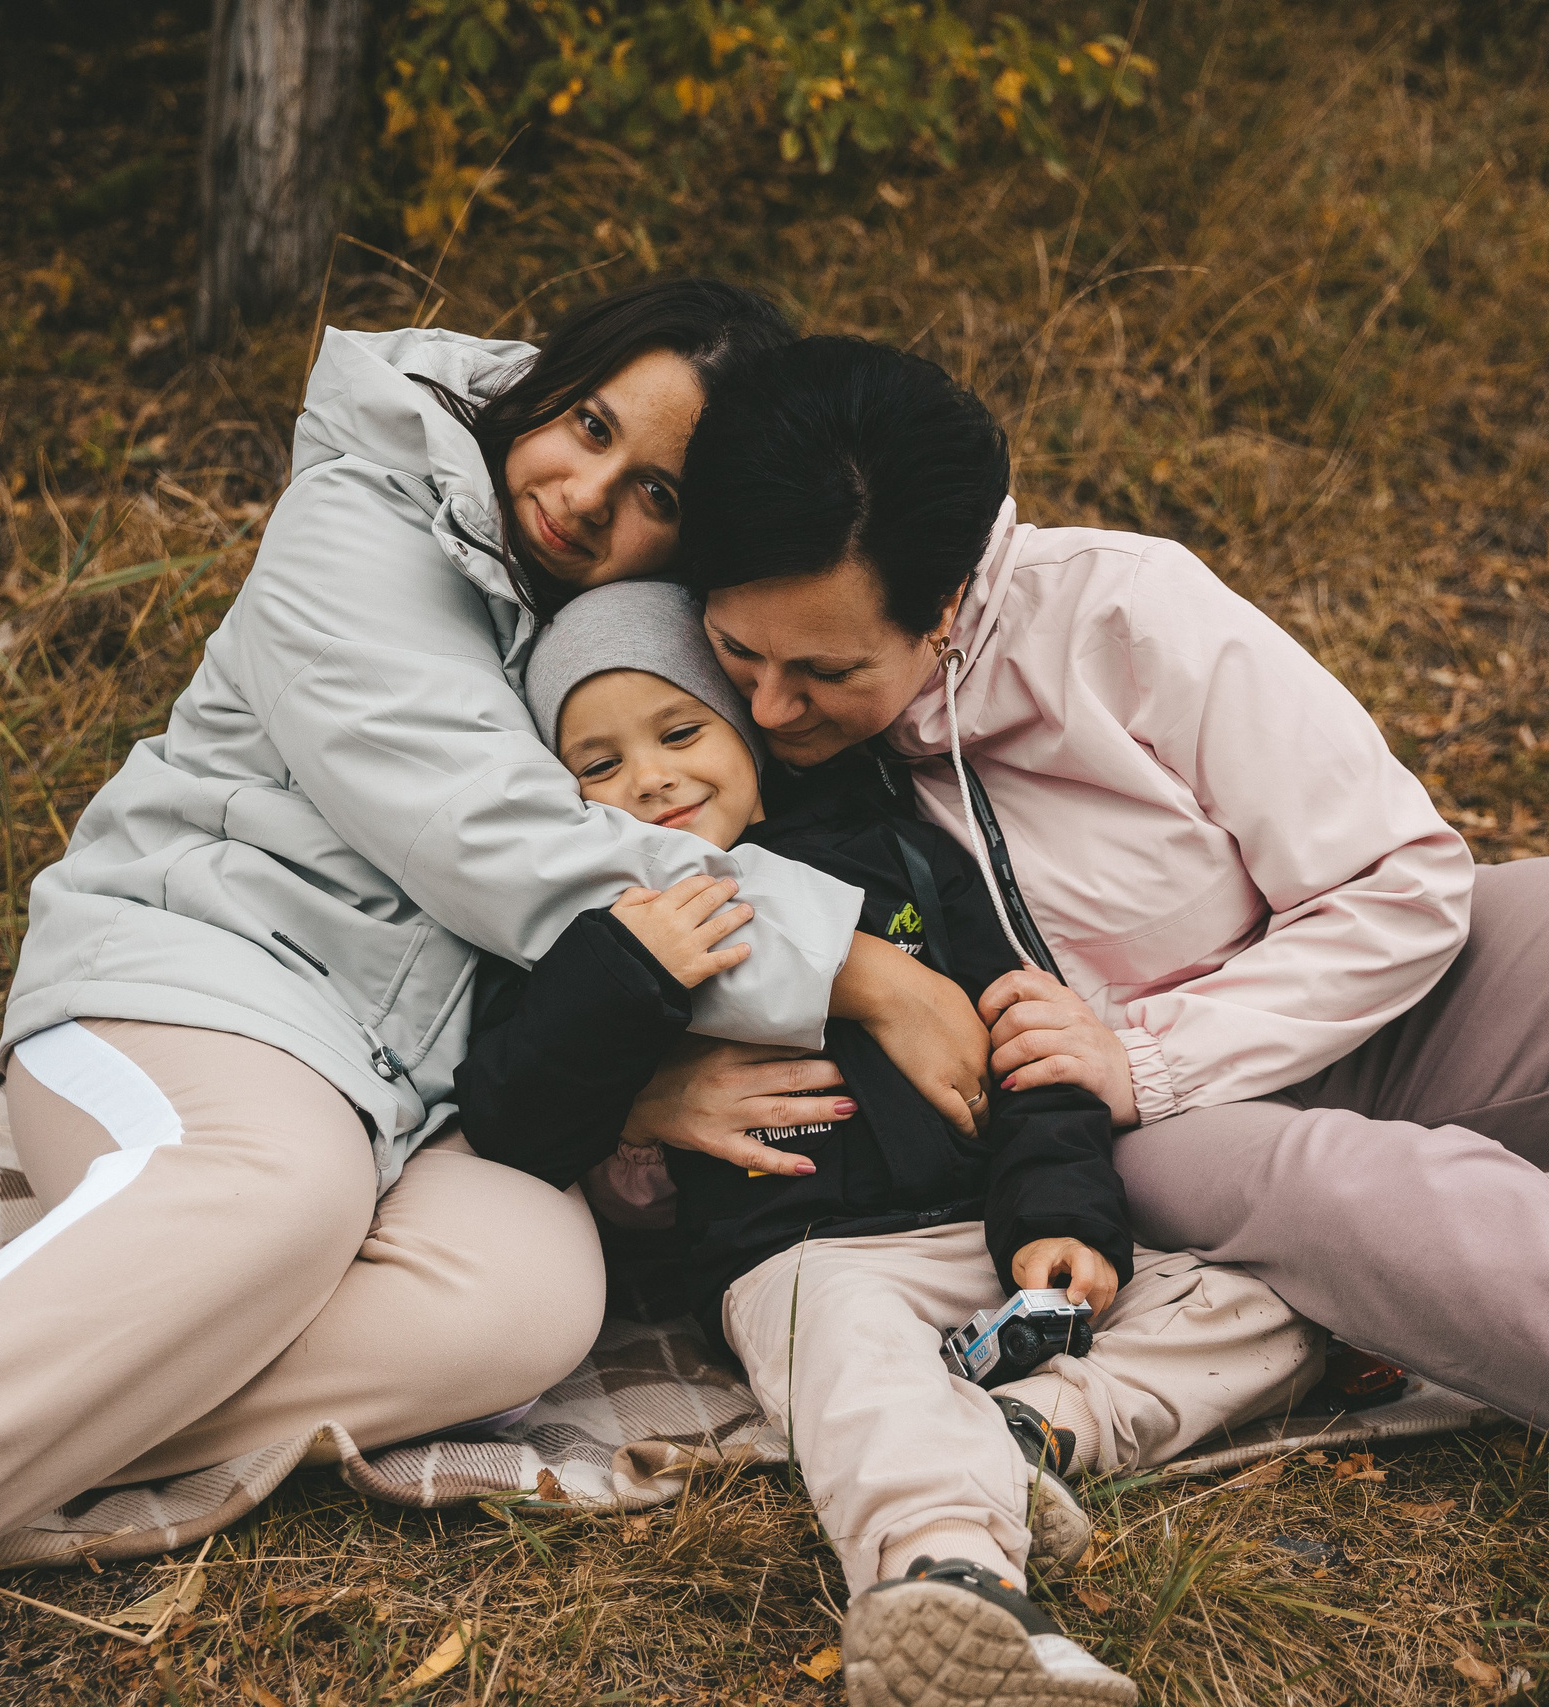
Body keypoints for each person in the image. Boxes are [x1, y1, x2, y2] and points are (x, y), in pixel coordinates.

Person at [0, 285, 989, 1706]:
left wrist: (627, 1076)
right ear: (547, 379)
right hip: (195, 979)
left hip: (410, 1083)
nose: (594, 494)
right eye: (590, 423)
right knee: (281, 1187)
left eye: (658, 489)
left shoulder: (623, 633)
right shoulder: (366, 516)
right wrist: (855, 961)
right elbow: (487, 837)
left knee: (531, 1291)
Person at [659, 333, 1549, 1559]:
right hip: (1081, 1135)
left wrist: (1156, 1050)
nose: (769, 703)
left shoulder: (1124, 613)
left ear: (947, 603)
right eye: (743, 653)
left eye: (828, 672)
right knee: (1372, 1190)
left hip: (1287, 1011)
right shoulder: (676, 707)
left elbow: (1405, 882)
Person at [456, 580, 1321, 1707]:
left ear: (751, 736)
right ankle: (945, 1582)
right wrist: (621, 979)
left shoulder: (901, 864)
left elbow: (1030, 1045)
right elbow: (510, 1109)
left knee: (1260, 1307)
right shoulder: (581, 931)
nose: (650, 779)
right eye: (598, 765)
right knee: (856, 1365)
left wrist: (1060, 1219)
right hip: (795, 1257)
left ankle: (1023, 1432)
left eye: (679, 731)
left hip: (979, 1236)